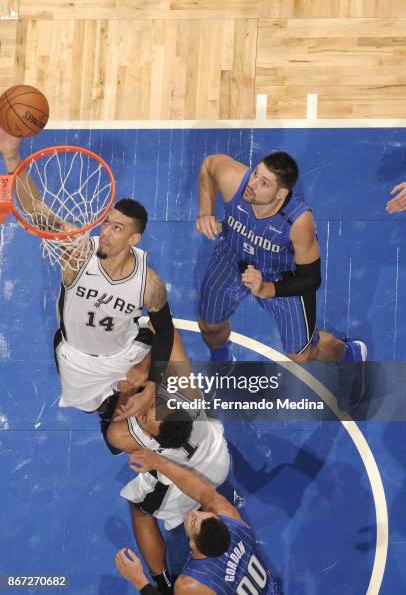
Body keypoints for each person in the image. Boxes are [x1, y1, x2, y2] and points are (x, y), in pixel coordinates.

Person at [0, 127, 175, 441]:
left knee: (158, 401)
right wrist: (11, 156)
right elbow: (36, 212)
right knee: (85, 406)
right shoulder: (79, 252)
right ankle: (111, 396)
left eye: (117, 228)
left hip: (124, 353)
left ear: (134, 239)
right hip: (78, 359)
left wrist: (151, 385)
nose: (106, 232)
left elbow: (167, 331)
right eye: (107, 222)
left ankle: (141, 379)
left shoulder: (149, 283)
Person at [196, 152, 366, 370]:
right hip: (233, 255)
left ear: (281, 193)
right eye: (255, 173)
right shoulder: (233, 179)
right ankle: (222, 362)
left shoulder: (298, 221)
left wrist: (266, 288)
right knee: (210, 326)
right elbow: (209, 166)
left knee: (302, 355)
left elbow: (311, 279)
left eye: (264, 183)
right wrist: (205, 212)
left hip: (280, 274)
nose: (252, 183)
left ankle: (350, 354)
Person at [107, 329, 230, 594]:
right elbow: (169, 333)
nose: (142, 410)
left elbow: (114, 433)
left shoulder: (135, 438)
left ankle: (161, 582)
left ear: (152, 440)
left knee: (140, 509)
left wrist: (127, 394)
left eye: (143, 417)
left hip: (181, 488)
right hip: (217, 461)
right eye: (153, 406)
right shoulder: (189, 394)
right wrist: (144, 370)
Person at [115, 447, 280, 594]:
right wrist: (158, 462)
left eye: (194, 521)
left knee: (140, 506)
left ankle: (163, 584)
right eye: (203, 515)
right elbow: (202, 493)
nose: (194, 512)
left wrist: (138, 580)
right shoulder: (227, 515)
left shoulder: (190, 585)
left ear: (193, 545)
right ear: (221, 522)